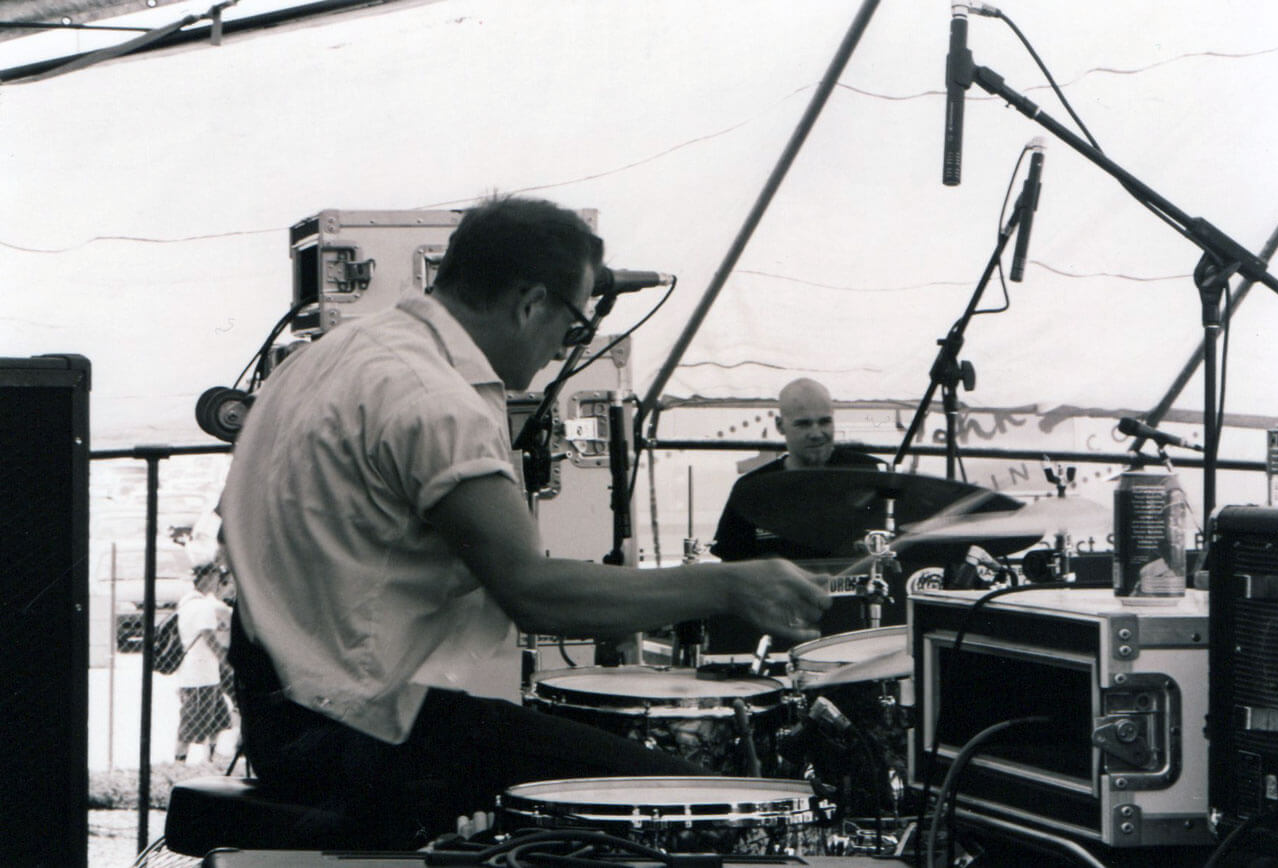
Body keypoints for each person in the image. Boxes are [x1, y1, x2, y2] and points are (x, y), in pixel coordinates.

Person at [218, 196, 830, 842]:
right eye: (573, 324)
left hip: (280, 716)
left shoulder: (330, 357)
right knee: (700, 811)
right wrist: (728, 585)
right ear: (530, 304)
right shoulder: (433, 401)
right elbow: (533, 594)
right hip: (358, 733)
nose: (565, 347)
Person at [710, 377, 884, 562]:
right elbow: (732, 565)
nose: (816, 434)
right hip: (778, 582)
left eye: (824, 422)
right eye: (803, 424)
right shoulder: (751, 489)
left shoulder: (869, 474)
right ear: (780, 426)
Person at [174, 562, 234, 764]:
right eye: (216, 576)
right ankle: (179, 762)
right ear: (207, 577)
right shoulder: (203, 607)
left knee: (219, 718)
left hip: (206, 673)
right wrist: (226, 660)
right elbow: (209, 636)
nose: (217, 582)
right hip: (200, 675)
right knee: (191, 723)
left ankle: (211, 760)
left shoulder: (187, 602)